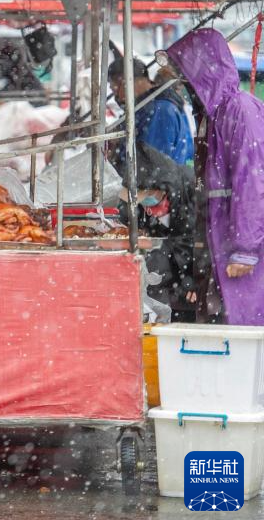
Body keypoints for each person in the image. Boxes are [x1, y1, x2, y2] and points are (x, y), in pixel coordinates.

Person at [166, 28, 264, 324]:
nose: (183, 85)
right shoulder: (213, 116)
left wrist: (245, 249)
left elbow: (252, 182)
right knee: (227, 324)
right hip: (222, 239)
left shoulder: (240, 111)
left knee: (244, 323)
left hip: (242, 245)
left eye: (185, 77)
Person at [117, 142, 209, 319]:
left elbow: (199, 238)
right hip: (167, 272)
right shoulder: (137, 191)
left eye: (150, 199)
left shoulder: (191, 188)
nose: (148, 208)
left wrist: (196, 277)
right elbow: (126, 216)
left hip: (196, 266)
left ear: (163, 190)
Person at [108, 45, 193, 166]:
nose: (116, 96)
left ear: (126, 82)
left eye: (114, 89)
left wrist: (117, 152)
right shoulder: (146, 108)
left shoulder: (160, 110)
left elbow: (150, 164)